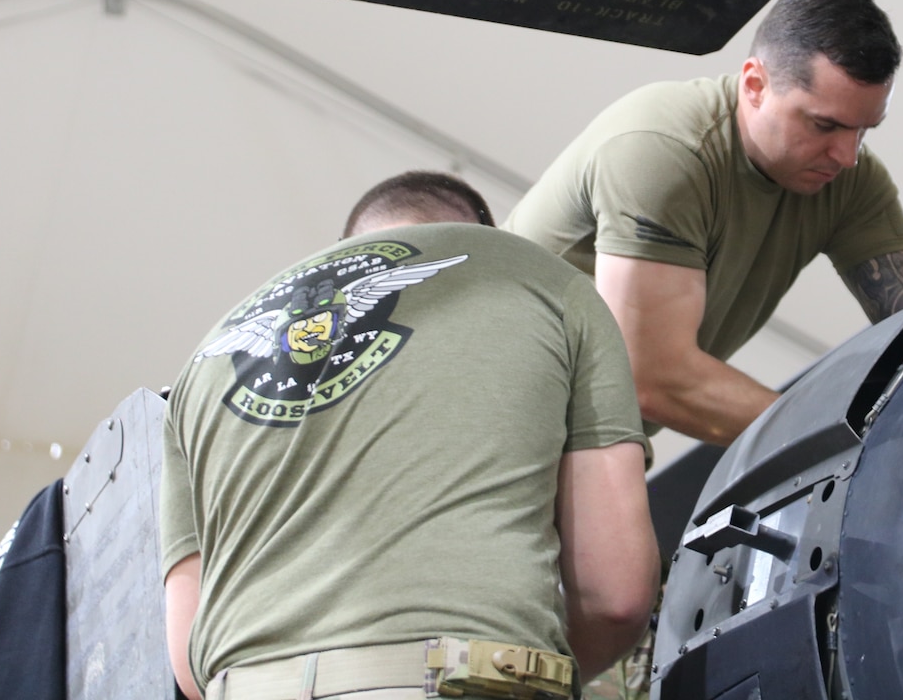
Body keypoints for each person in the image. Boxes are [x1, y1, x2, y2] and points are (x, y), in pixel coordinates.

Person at [160, 171, 659, 700]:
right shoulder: (545, 282)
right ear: (482, 236)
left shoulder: (202, 365)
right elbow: (616, 595)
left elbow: (189, 659)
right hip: (456, 682)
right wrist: (523, 668)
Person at [505, 0, 903, 447]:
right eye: (824, 125)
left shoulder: (850, 182)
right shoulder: (664, 151)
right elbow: (650, 376)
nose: (847, 155)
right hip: (476, 412)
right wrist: (848, 443)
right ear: (754, 84)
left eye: (864, 130)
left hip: (578, 444)